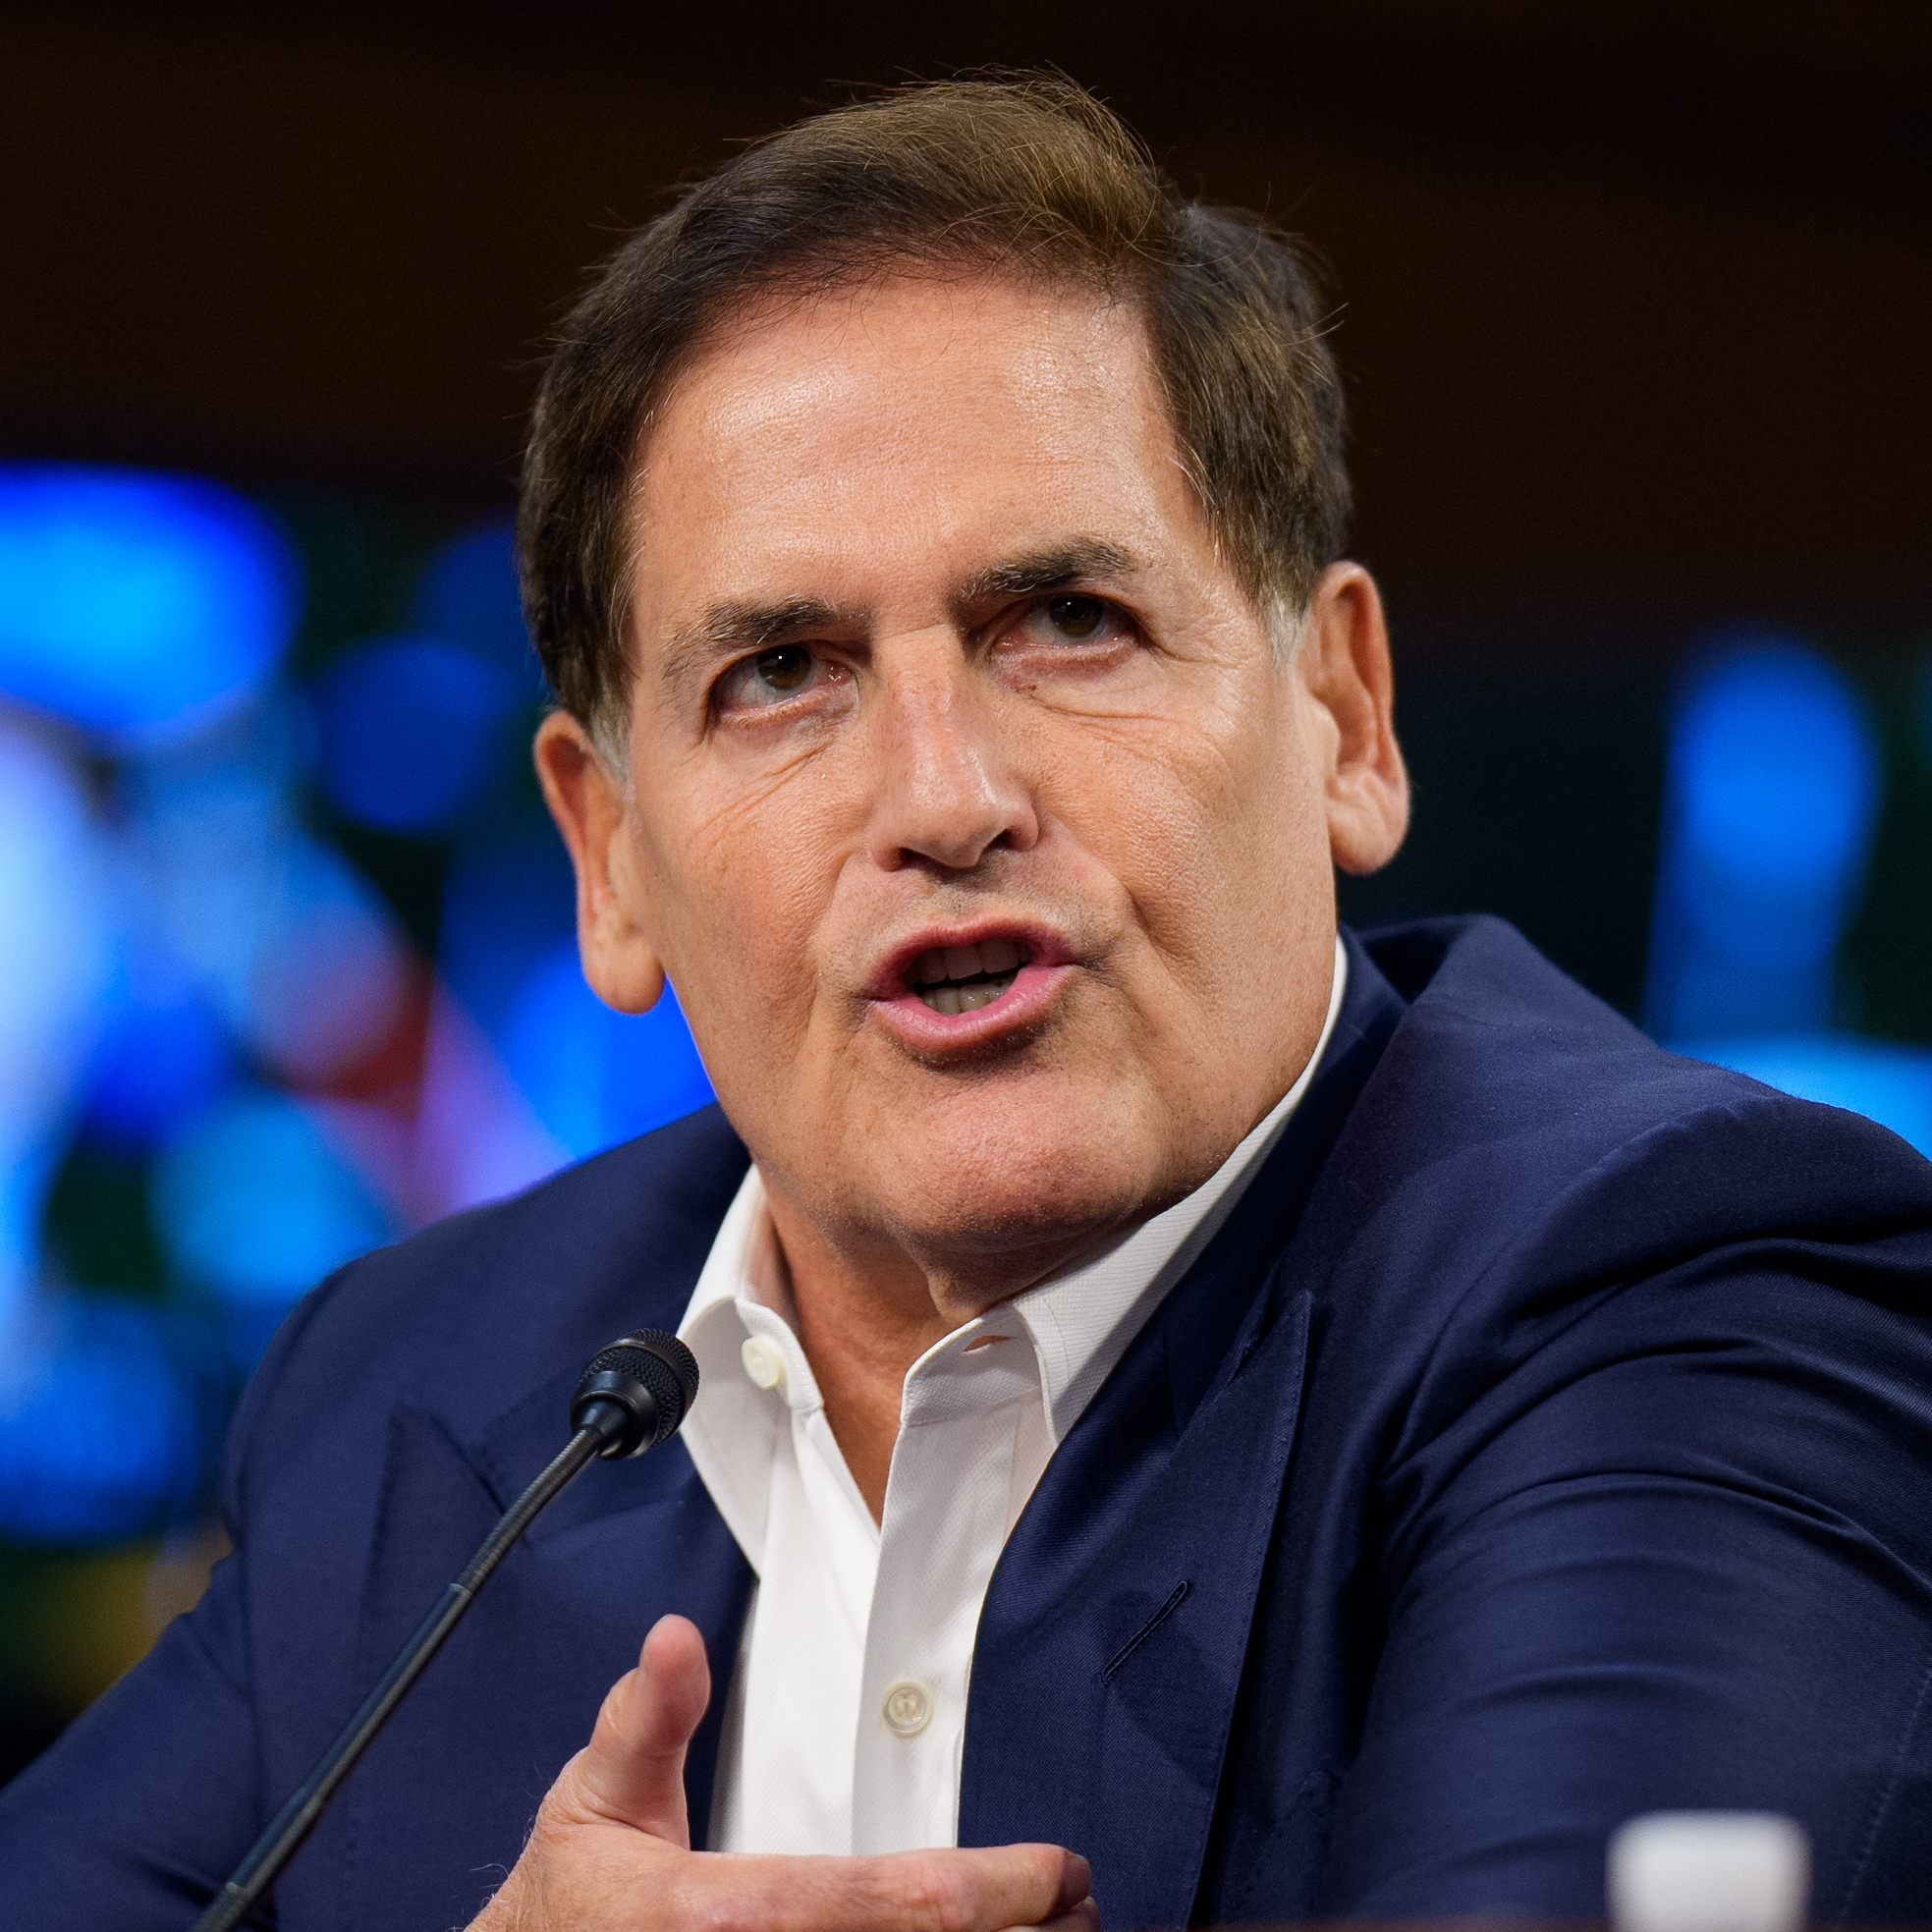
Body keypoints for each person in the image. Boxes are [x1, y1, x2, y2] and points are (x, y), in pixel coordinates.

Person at [5, 76, 1932, 1932]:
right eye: (780, 671)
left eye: (1068, 622)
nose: (942, 798)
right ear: (609, 861)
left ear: (1342, 718)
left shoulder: (1677, 1280)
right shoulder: (416, 1384)